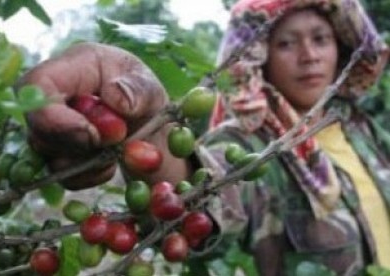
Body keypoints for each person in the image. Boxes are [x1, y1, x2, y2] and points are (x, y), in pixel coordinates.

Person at [19, 0, 390, 274]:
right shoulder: (247, 143)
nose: (309, 55)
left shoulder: (360, 128)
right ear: (258, 57)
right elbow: (201, 197)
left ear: (339, 48)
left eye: (321, 39)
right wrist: (146, 127)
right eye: (287, 43)